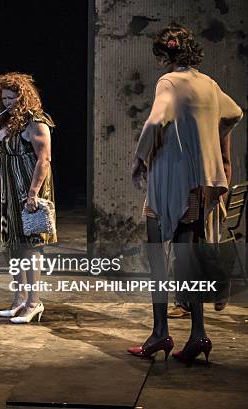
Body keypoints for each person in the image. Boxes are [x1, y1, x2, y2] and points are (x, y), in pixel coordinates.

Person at [129, 24, 243, 363]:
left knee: (157, 257)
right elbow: (234, 112)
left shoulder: (169, 82)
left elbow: (153, 121)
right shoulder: (208, 83)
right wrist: (208, 137)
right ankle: (197, 335)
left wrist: (139, 159)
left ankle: (160, 333)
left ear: (165, 54)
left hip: (172, 179)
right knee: (188, 258)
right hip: (201, 183)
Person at [0, 72, 57, 324]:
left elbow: (44, 159)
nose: (7, 102)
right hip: (10, 191)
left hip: (29, 188)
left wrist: (33, 193)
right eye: (3, 98)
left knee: (31, 246)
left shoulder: (36, 121)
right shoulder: (6, 121)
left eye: (12, 98)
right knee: (13, 245)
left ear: (23, 96)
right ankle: (19, 298)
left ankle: (34, 302)